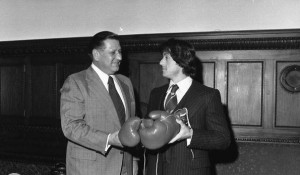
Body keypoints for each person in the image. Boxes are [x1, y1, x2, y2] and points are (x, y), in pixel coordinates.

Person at [145, 38, 231, 175]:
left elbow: (222, 139)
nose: (160, 62)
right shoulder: (156, 93)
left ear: (181, 61)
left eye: (166, 58)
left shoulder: (208, 95)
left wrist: (190, 134)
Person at [60, 31, 138, 175]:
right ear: (96, 55)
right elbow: (71, 127)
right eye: (113, 52)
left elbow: (130, 125)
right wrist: (109, 139)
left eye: (120, 52)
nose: (119, 57)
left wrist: (133, 160)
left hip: (125, 168)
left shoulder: (125, 82)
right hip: (89, 169)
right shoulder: (76, 82)